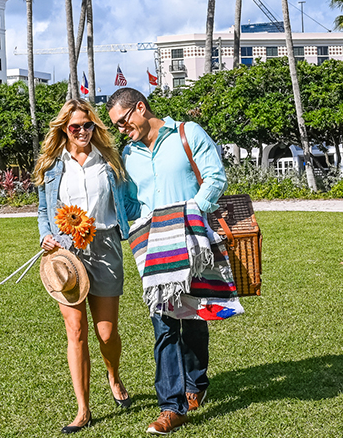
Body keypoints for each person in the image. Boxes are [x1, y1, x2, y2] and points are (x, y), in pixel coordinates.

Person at [107, 87, 227, 435]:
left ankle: (197, 382)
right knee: (163, 324)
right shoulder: (129, 155)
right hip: (154, 249)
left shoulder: (187, 134)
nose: (121, 130)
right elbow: (130, 202)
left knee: (193, 318)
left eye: (123, 122)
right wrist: (131, 215)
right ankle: (171, 407)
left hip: (190, 243)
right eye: (116, 126)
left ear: (141, 109)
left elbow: (215, 177)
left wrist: (192, 215)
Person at [34, 98, 133, 434]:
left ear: (95, 127)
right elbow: (43, 211)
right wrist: (47, 235)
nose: (81, 131)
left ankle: (114, 375)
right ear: (64, 128)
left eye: (87, 125)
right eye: (74, 126)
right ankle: (83, 409)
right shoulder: (52, 165)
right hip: (66, 253)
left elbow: (128, 200)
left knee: (106, 333)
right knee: (75, 331)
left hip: (104, 246)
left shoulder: (109, 161)